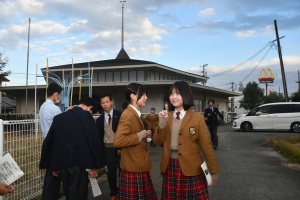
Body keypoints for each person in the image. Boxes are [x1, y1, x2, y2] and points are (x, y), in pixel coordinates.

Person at [153, 81, 219, 200]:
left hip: (192, 167)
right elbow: (157, 142)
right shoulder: (165, 116)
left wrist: (214, 170)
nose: (173, 97)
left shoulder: (197, 118)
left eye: (177, 93)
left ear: (186, 95)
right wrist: (162, 123)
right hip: (170, 166)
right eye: (171, 94)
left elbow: (206, 146)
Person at [39, 97, 105, 200]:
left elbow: (51, 142)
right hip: (79, 164)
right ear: (90, 108)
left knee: (68, 193)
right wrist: (94, 165)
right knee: (78, 195)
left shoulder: (59, 118)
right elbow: (93, 140)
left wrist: (53, 166)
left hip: (62, 164)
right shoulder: (86, 116)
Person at [113, 83, 157, 200]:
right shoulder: (128, 114)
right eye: (142, 94)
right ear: (133, 96)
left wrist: (144, 135)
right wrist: (140, 134)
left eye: (146, 94)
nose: (146, 97)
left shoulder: (136, 113)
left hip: (138, 165)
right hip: (134, 166)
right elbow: (118, 141)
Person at [96, 93, 122, 200]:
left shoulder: (120, 114)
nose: (105, 105)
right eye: (103, 103)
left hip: (119, 147)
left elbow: (123, 133)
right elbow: (99, 137)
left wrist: (120, 148)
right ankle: (114, 192)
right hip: (107, 148)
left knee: (123, 171)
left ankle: (124, 191)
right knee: (110, 173)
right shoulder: (99, 120)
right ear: (101, 105)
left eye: (107, 102)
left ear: (111, 102)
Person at [39, 82, 63, 200]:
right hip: (55, 146)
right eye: (59, 95)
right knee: (54, 180)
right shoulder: (55, 109)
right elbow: (61, 130)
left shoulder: (43, 107)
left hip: (47, 144)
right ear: (55, 94)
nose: (60, 98)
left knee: (49, 179)